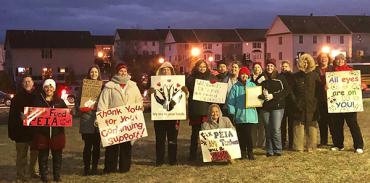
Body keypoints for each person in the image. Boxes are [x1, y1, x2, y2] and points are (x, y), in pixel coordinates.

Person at [97, 63, 143, 173]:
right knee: (112, 146)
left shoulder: (133, 85)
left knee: (126, 146)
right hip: (113, 121)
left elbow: (139, 100)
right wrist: (101, 117)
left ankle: (124, 167)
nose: (123, 73)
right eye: (120, 71)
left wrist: (139, 109)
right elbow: (103, 103)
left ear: (127, 72)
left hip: (128, 121)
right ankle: (110, 168)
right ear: (117, 72)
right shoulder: (109, 86)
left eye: (125, 71)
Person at [149, 62, 188, 166]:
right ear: (160, 71)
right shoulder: (155, 83)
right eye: (164, 69)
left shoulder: (178, 83)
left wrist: (185, 93)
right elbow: (152, 99)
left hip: (174, 116)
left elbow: (183, 99)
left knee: (172, 139)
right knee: (160, 139)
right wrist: (150, 93)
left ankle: (173, 159)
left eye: (168, 69)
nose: (166, 71)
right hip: (160, 116)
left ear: (172, 71)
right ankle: (159, 160)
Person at [32, 79, 67, 182]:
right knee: (43, 157)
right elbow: (33, 115)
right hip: (42, 134)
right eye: (46, 87)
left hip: (57, 133)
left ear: (54, 88)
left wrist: (69, 113)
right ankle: (44, 177)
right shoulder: (38, 100)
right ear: (44, 88)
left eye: (51, 87)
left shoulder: (59, 101)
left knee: (57, 156)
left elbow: (66, 114)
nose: (49, 89)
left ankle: (57, 176)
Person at [330, 54, 364, 154]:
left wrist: (362, 85)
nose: (339, 61)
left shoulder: (351, 71)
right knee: (337, 125)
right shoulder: (332, 74)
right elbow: (328, 86)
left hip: (349, 104)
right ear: (335, 61)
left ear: (345, 61)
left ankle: (358, 145)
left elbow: (360, 83)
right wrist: (326, 87)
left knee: (353, 125)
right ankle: (338, 145)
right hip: (337, 104)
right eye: (337, 60)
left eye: (341, 59)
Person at [8, 75, 39, 181]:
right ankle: (21, 174)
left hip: (34, 131)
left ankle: (33, 171)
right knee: (22, 155)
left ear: (33, 83)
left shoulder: (38, 96)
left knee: (35, 153)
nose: (27, 83)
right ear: (22, 84)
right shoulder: (16, 98)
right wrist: (19, 117)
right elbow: (12, 116)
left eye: (29, 81)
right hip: (21, 132)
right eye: (25, 81)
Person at [290, 54, 320, 152]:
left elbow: (319, 91)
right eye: (304, 62)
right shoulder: (295, 76)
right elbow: (291, 91)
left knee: (312, 127)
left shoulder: (315, 75)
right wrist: (295, 102)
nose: (305, 64)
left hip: (312, 105)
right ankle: (298, 147)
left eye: (307, 62)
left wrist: (316, 102)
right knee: (298, 126)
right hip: (299, 105)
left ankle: (311, 146)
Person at [186, 60, 216, 161]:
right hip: (196, 110)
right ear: (196, 67)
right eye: (200, 66)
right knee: (195, 134)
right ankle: (192, 155)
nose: (202, 68)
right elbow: (188, 89)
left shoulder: (211, 77)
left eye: (204, 66)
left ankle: (208, 155)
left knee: (208, 134)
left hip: (207, 109)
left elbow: (216, 89)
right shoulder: (191, 78)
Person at [227, 67, 258, 160]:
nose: (244, 76)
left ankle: (250, 152)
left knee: (248, 134)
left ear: (248, 75)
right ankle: (243, 152)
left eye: (246, 74)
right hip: (239, 115)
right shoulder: (235, 87)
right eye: (242, 74)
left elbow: (258, 98)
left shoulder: (252, 85)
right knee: (241, 135)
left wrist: (260, 97)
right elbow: (231, 101)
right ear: (240, 75)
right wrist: (232, 113)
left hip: (250, 115)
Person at [259, 59, 289, 157]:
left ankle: (278, 149)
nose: (269, 68)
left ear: (275, 67)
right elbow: (255, 89)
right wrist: (262, 95)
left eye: (271, 66)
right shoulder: (262, 77)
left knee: (275, 128)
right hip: (265, 107)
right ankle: (269, 150)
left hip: (277, 106)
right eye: (268, 66)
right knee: (267, 129)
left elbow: (286, 91)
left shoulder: (280, 77)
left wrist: (273, 96)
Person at [77, 65, 102, 175]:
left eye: (96, 72)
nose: (94, 74)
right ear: (89, 73)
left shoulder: (103, 87)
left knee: (96, 146)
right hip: (86, 119)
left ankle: (94, 168)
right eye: (92, 72)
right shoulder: (83, 86)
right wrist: (79, 107)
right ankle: (86, 168)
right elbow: (78, 100)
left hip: (98, 120)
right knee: (87, 146)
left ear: (98, 73)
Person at [315, 53, 334, 147]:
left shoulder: (333, 69)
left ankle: (335, 141)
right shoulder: (315, 70)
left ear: (328, 59)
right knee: (322, 121)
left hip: (332, 99)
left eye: (325, 57)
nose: (324, 59)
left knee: (333, 122)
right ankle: (323, 141)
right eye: (322, 58)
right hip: (320, 99)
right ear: (319, 59)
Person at [279, 60, 295, 149]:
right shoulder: (279, 76)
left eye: (286, 66)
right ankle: (282, 142)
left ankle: (291, 143)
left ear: (289, 67)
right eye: (283, 66)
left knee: (291, 125)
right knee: (282, 124)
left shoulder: (293, 76)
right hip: (282, 103)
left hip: (291, 103)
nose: (284, 68)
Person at [250, 62, 266, 148]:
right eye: (255, 67)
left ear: (261, 68)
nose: (257, 69)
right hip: (252, 104)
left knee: (261, 124)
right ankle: (253, 142)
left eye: (258, 67)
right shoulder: (250, 78)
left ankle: (261, 143)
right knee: (253, 125)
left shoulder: (264, 77)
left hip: (261, 103)